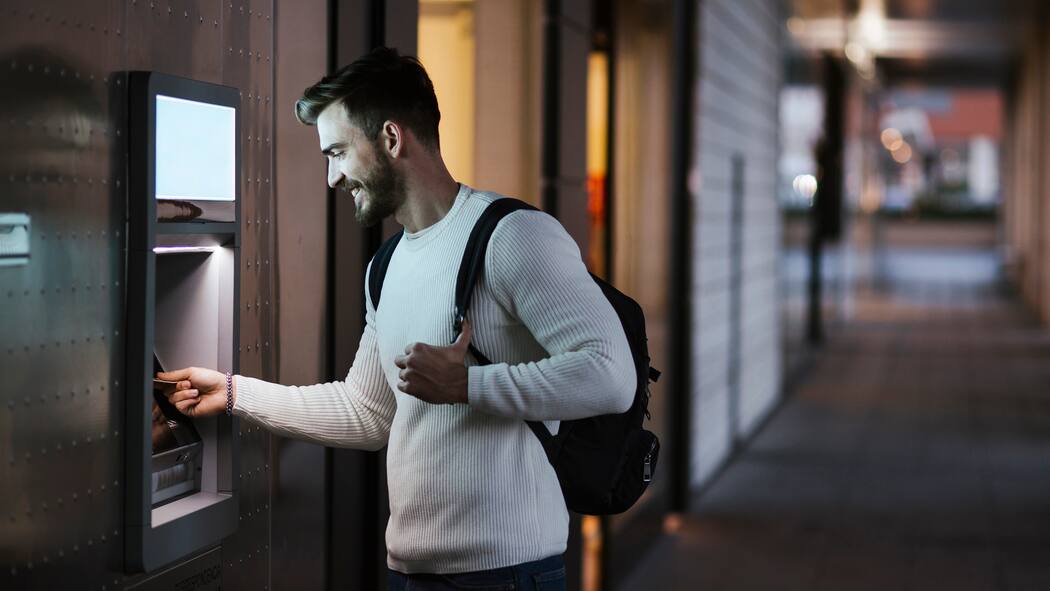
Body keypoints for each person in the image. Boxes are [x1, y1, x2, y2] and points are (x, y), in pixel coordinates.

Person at [157, 46, 634, 590]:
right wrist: (237, 393)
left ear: (391, 137)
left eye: (337, 152)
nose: (332, 178)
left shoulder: (513, 236)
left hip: (507, 573)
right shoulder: (385, 266)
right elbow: (367, 412)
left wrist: (468, 385)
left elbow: (609, 373)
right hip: (415, 572)